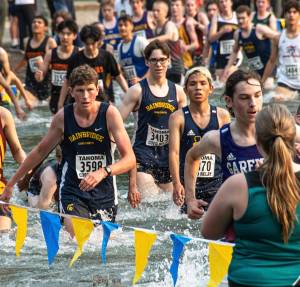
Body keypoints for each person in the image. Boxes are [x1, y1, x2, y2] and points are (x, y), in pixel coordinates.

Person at [0, 65, 135, 236]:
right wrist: (11, 184)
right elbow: (40, 152)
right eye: (80, 90)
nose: (85, 96)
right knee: (79, 239)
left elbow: (129, 159)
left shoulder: (110, 114)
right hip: (72, 191)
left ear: (97, 89)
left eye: (89, 90)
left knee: (98, 246)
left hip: (104, 192)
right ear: (71, 91)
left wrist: (103, 172)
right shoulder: (63, 117)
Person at [202, 104, 300, 286]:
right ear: (293, 137)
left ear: (257, 140)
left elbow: (209, 232)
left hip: (247, 280)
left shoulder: (237, 185)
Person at [185, 69, 263, 219]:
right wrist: (190, 199)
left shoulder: (278, 130)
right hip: (236, 221)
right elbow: (191, 158)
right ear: (229, 101)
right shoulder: (216, 139)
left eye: (258, 95)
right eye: (244, 97)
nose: (253, 103)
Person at [119, 40, 186, 208]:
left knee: (172, 209)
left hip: (168, 159)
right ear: (147, 62)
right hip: (142, 156)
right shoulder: (136, 91)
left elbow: (186, 128)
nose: (159, 64)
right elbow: (116, 124)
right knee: (151, 206)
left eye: (163, 59)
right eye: (154, 60)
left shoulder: (178, 92)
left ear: (169, 61)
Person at [169, 66, 230, 210]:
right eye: (193, 84)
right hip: (188, 186)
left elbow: (228, 152)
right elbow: (174, 153)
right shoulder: (177, 117)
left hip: (216, 183)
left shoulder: (222, 116)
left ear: (211, 88)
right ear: (185, 90)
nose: (198, 87)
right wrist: (176, 183)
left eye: (203, 83)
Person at [58, 24, 128, 107]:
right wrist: (60, 103)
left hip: (104, 101)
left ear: (98, 41)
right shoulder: (75, 59)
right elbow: (67, 82)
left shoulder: (107, 56)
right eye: (87, 44)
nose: (90, 47)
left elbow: (118, 77)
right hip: (81, 103)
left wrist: (129, 94)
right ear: (83, 42)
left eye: (93, 43)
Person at [222, 5, 278, 81]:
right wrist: (227, 69)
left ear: (249, 17)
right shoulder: (237, 34)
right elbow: (235, 52)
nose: (240, 21)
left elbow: (277, 37)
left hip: (269, 71)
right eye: (238, 18)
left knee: (268, 88)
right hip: (255, 72)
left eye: (243, 18)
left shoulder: (259, 29)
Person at [35, 19, 79, 114]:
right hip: (56, 95)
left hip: (74, 96)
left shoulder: (79, 53)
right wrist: (39, 76)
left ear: (74, 36)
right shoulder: (51, 54)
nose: (65, 37)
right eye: (62, 33)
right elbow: (42, 74)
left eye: (68, 34)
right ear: (58, 34)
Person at [262, 0, 300, 101]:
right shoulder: (278, 37)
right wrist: (261, 83)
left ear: (299, 15)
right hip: (285, 82)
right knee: (275, 99)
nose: (291, 15)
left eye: (294, 12)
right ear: (284, 15)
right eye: (288, 12)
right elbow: (272, 61)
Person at [15, 15, 57, 104]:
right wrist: (14, 71)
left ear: (45, 28)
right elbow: (25, 58)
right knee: (28, 104)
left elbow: (57, 62)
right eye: (34, 22)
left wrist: (44, 65)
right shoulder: (27, 41)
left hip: (46, 81)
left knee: (44, 105)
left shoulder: (50, 42)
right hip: (30, 80)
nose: (36, 24)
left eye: (39, 22)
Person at [0, 106, 26, 230]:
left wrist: (30, 169)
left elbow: (17, 150)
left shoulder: (3, 114)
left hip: (0, 190)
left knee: (3, 236)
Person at [152, 0, 185, 84]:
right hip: (164, 69)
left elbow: (168, 36)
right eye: (153, 11)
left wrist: (148, 41)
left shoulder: (169, 25)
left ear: (165, 12)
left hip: (176, 70)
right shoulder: (155, 29)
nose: (155, 13)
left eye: (158, 11)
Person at [209, 0, 242, 81]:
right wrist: (221, 32)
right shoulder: (216, 17)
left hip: (235, 53)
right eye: (221, 2)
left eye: (226, 1)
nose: (224, 4)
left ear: (231, 2)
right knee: (220, 83)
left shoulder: (237, 16)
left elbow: (244, 36)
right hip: (221, 54)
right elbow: (211, 38)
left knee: (228, 77)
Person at [118, 15, 149, 87]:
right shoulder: (119, 46)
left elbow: (154, 64)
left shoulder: (140, 41)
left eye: (125, 25)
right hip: (132, 88)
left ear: (131, 26)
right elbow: (121, 70)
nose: (122, 28)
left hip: (146, 86)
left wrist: (142, 79)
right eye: (120, 25)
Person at [170, 0, 199, 70]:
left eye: (177, 5)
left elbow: (196, 44)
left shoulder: (187, 23)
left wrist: (186, 47)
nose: (174, 7)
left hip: (185, 63)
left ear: (183, 7)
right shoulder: (166, 23)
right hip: (169, 63)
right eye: (172, 5)